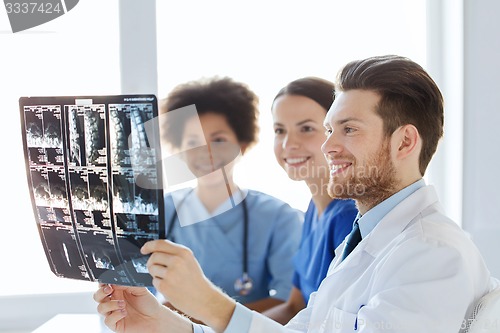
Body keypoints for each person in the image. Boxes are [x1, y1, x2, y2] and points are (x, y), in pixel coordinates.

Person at [94, 55, 497, 333]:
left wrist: (205, 301)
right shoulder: (363, 242)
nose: (327, 147)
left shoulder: (432, 256)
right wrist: (172, 326)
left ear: (405, 142)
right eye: (329, 130)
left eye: (349, 130)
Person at [156, 77, 303, 314]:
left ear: (242, 145)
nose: (206, 152)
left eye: (219, 140)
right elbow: (136, 289)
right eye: (193, 142)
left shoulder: (278, 217)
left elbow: (290, 303)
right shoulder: (162, 212)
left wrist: (202, 321)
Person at [263, 77, 357, 324]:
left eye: (306, 129)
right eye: (279, 130)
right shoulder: (314, 209)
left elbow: (329, 324)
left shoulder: (347, 218)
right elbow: (294, 306)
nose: (288, 144)